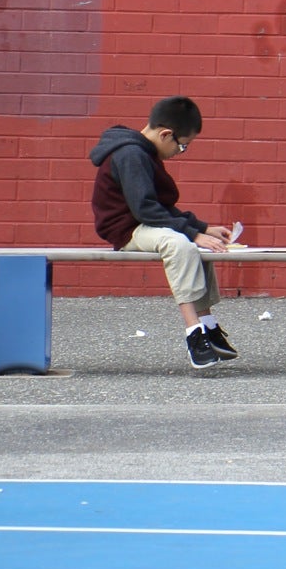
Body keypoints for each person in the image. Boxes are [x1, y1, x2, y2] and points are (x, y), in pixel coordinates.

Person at [89, 96, 237, 370]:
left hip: (143, 222)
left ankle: (208, 324)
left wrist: (202, 229)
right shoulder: (131, 155)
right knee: (178, 244)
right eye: (182, 145)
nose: (181, 151)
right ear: (165, 133)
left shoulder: (143, 152)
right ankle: (194, 333)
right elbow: (146, 209)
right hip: (127, 229)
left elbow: (161, 208)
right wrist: (192, 234)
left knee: (198, 245)